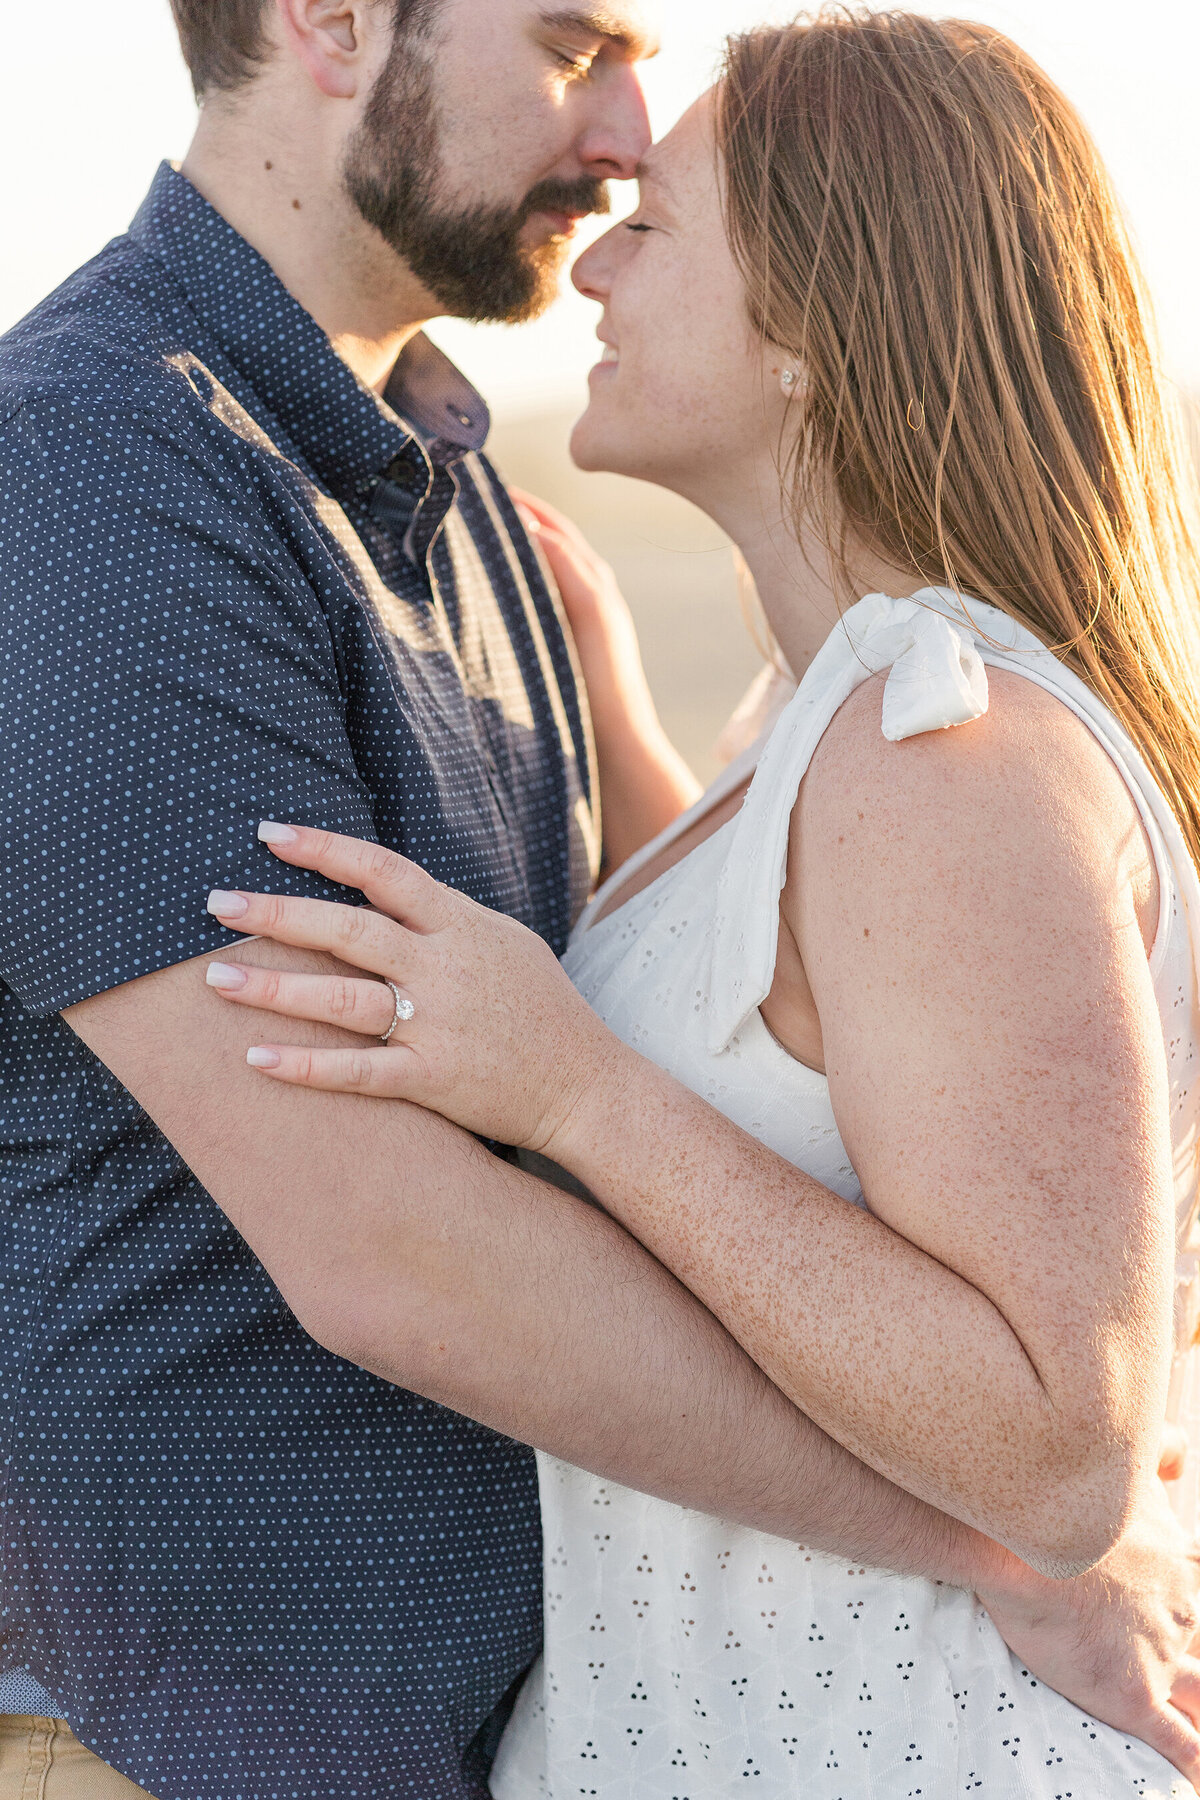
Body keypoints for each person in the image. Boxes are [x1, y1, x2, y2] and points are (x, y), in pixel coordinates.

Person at [200, 9, 1200, 1798]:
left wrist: (575, 1089)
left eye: (654, 228)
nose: (594, 268)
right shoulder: (838, 730)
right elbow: (784, 1019)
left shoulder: (937, 748)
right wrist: (598, 702)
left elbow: (1060, 1456)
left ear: (811, 330)